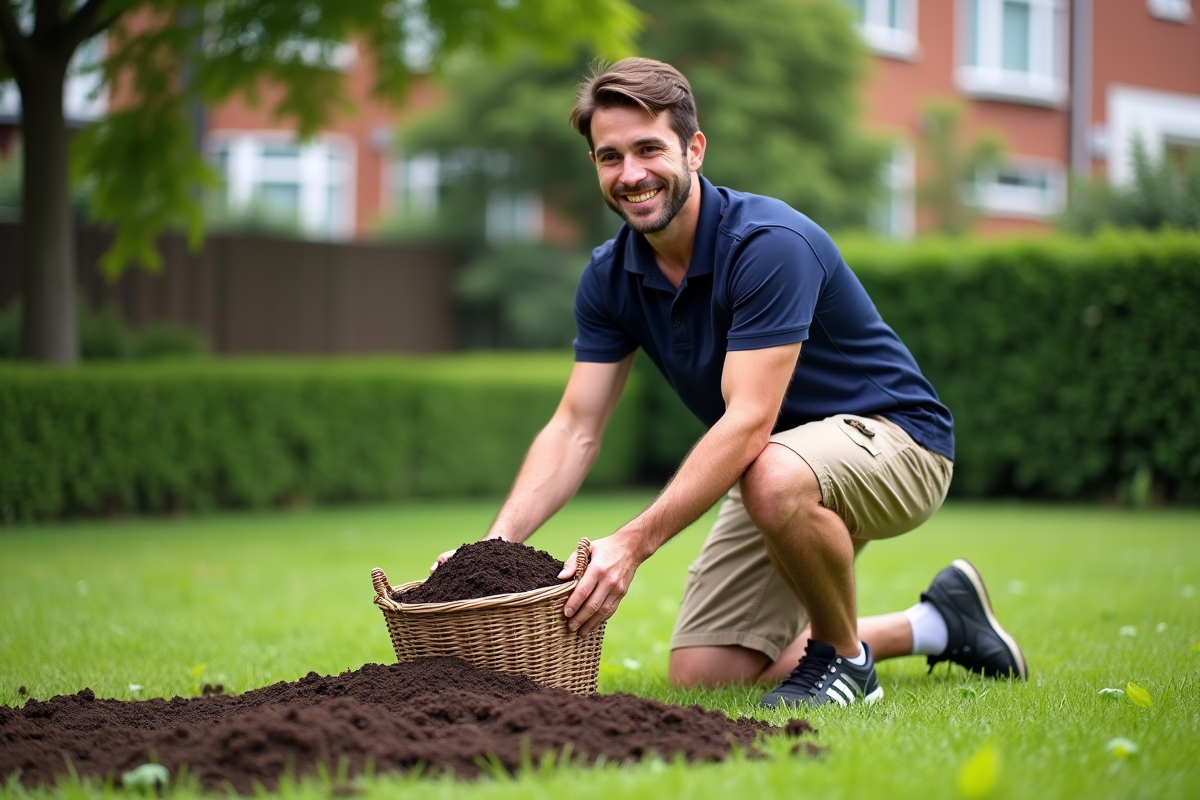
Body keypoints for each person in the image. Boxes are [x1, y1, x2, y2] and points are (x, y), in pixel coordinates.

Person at [434, 57, 1026, 707]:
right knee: (710, 671)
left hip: (899, 440)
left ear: (694, 149)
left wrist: (632, 543)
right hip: (778, 459)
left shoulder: (768, 244)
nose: (630, 175)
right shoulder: (609, 277)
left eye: (648, 149)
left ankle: (847, 663)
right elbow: (576, 427)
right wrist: (489, 550)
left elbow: (748, 421)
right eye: (609, 157)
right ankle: (941, 624)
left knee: (771, 472)